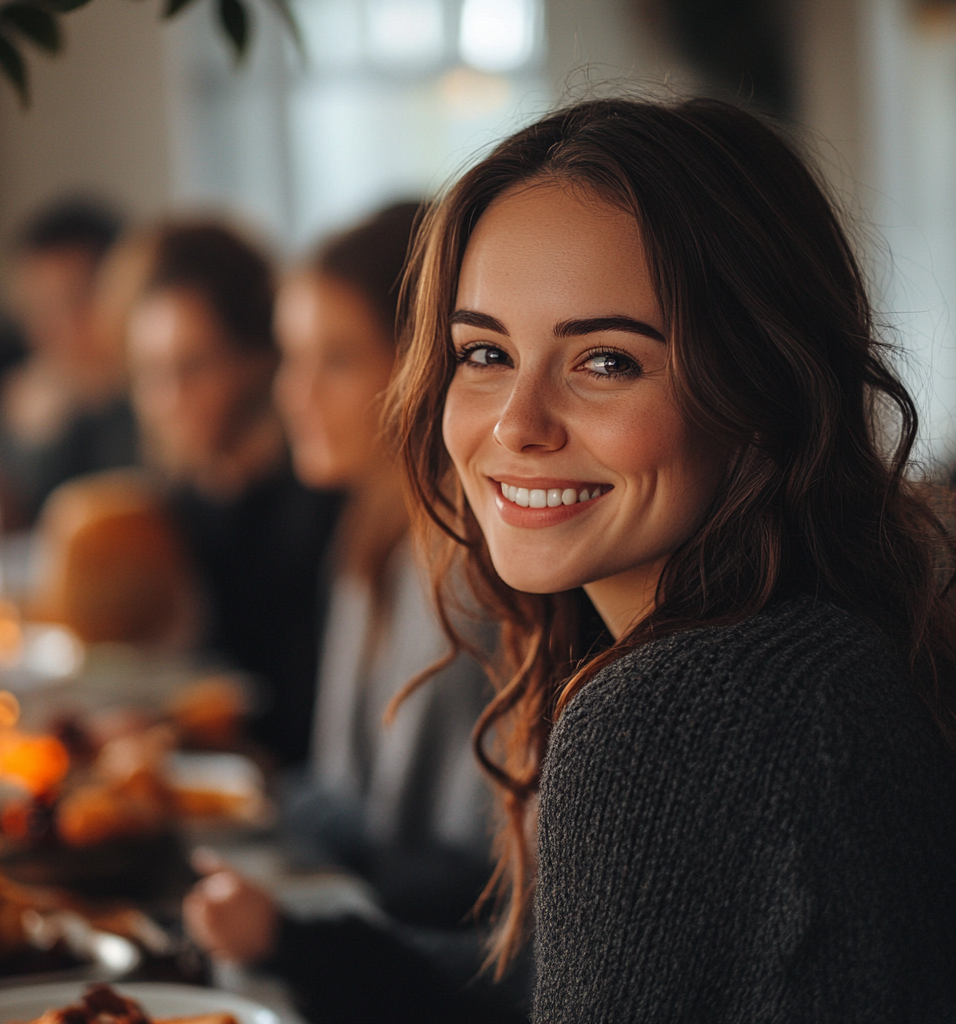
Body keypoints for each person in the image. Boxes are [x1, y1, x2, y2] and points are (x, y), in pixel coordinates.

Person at [382, 97, 956, 1020]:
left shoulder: (681, 713)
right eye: (484, 351)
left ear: (762, 390)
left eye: (607, 362)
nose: (516, 425)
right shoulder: (827, 652)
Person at [183, 205, 511, 1024]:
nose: (292, 394)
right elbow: (343, 796)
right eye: (293, 358)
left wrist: (288, 923)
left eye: (335, 360)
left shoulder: (471, 571)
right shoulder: (373, 527)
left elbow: (475, 881)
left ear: (424, 368)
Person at [126, 221, 339, 766]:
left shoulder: (323, 503)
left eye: (192, 368)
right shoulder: (175, 507)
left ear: (256, 358)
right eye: (151, 374)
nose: (169, 400)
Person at [0, 198, 136, 525]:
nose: (47, 332)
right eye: (36, 309)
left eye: (69, 304)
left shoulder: (166, 407)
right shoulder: (31, 407)